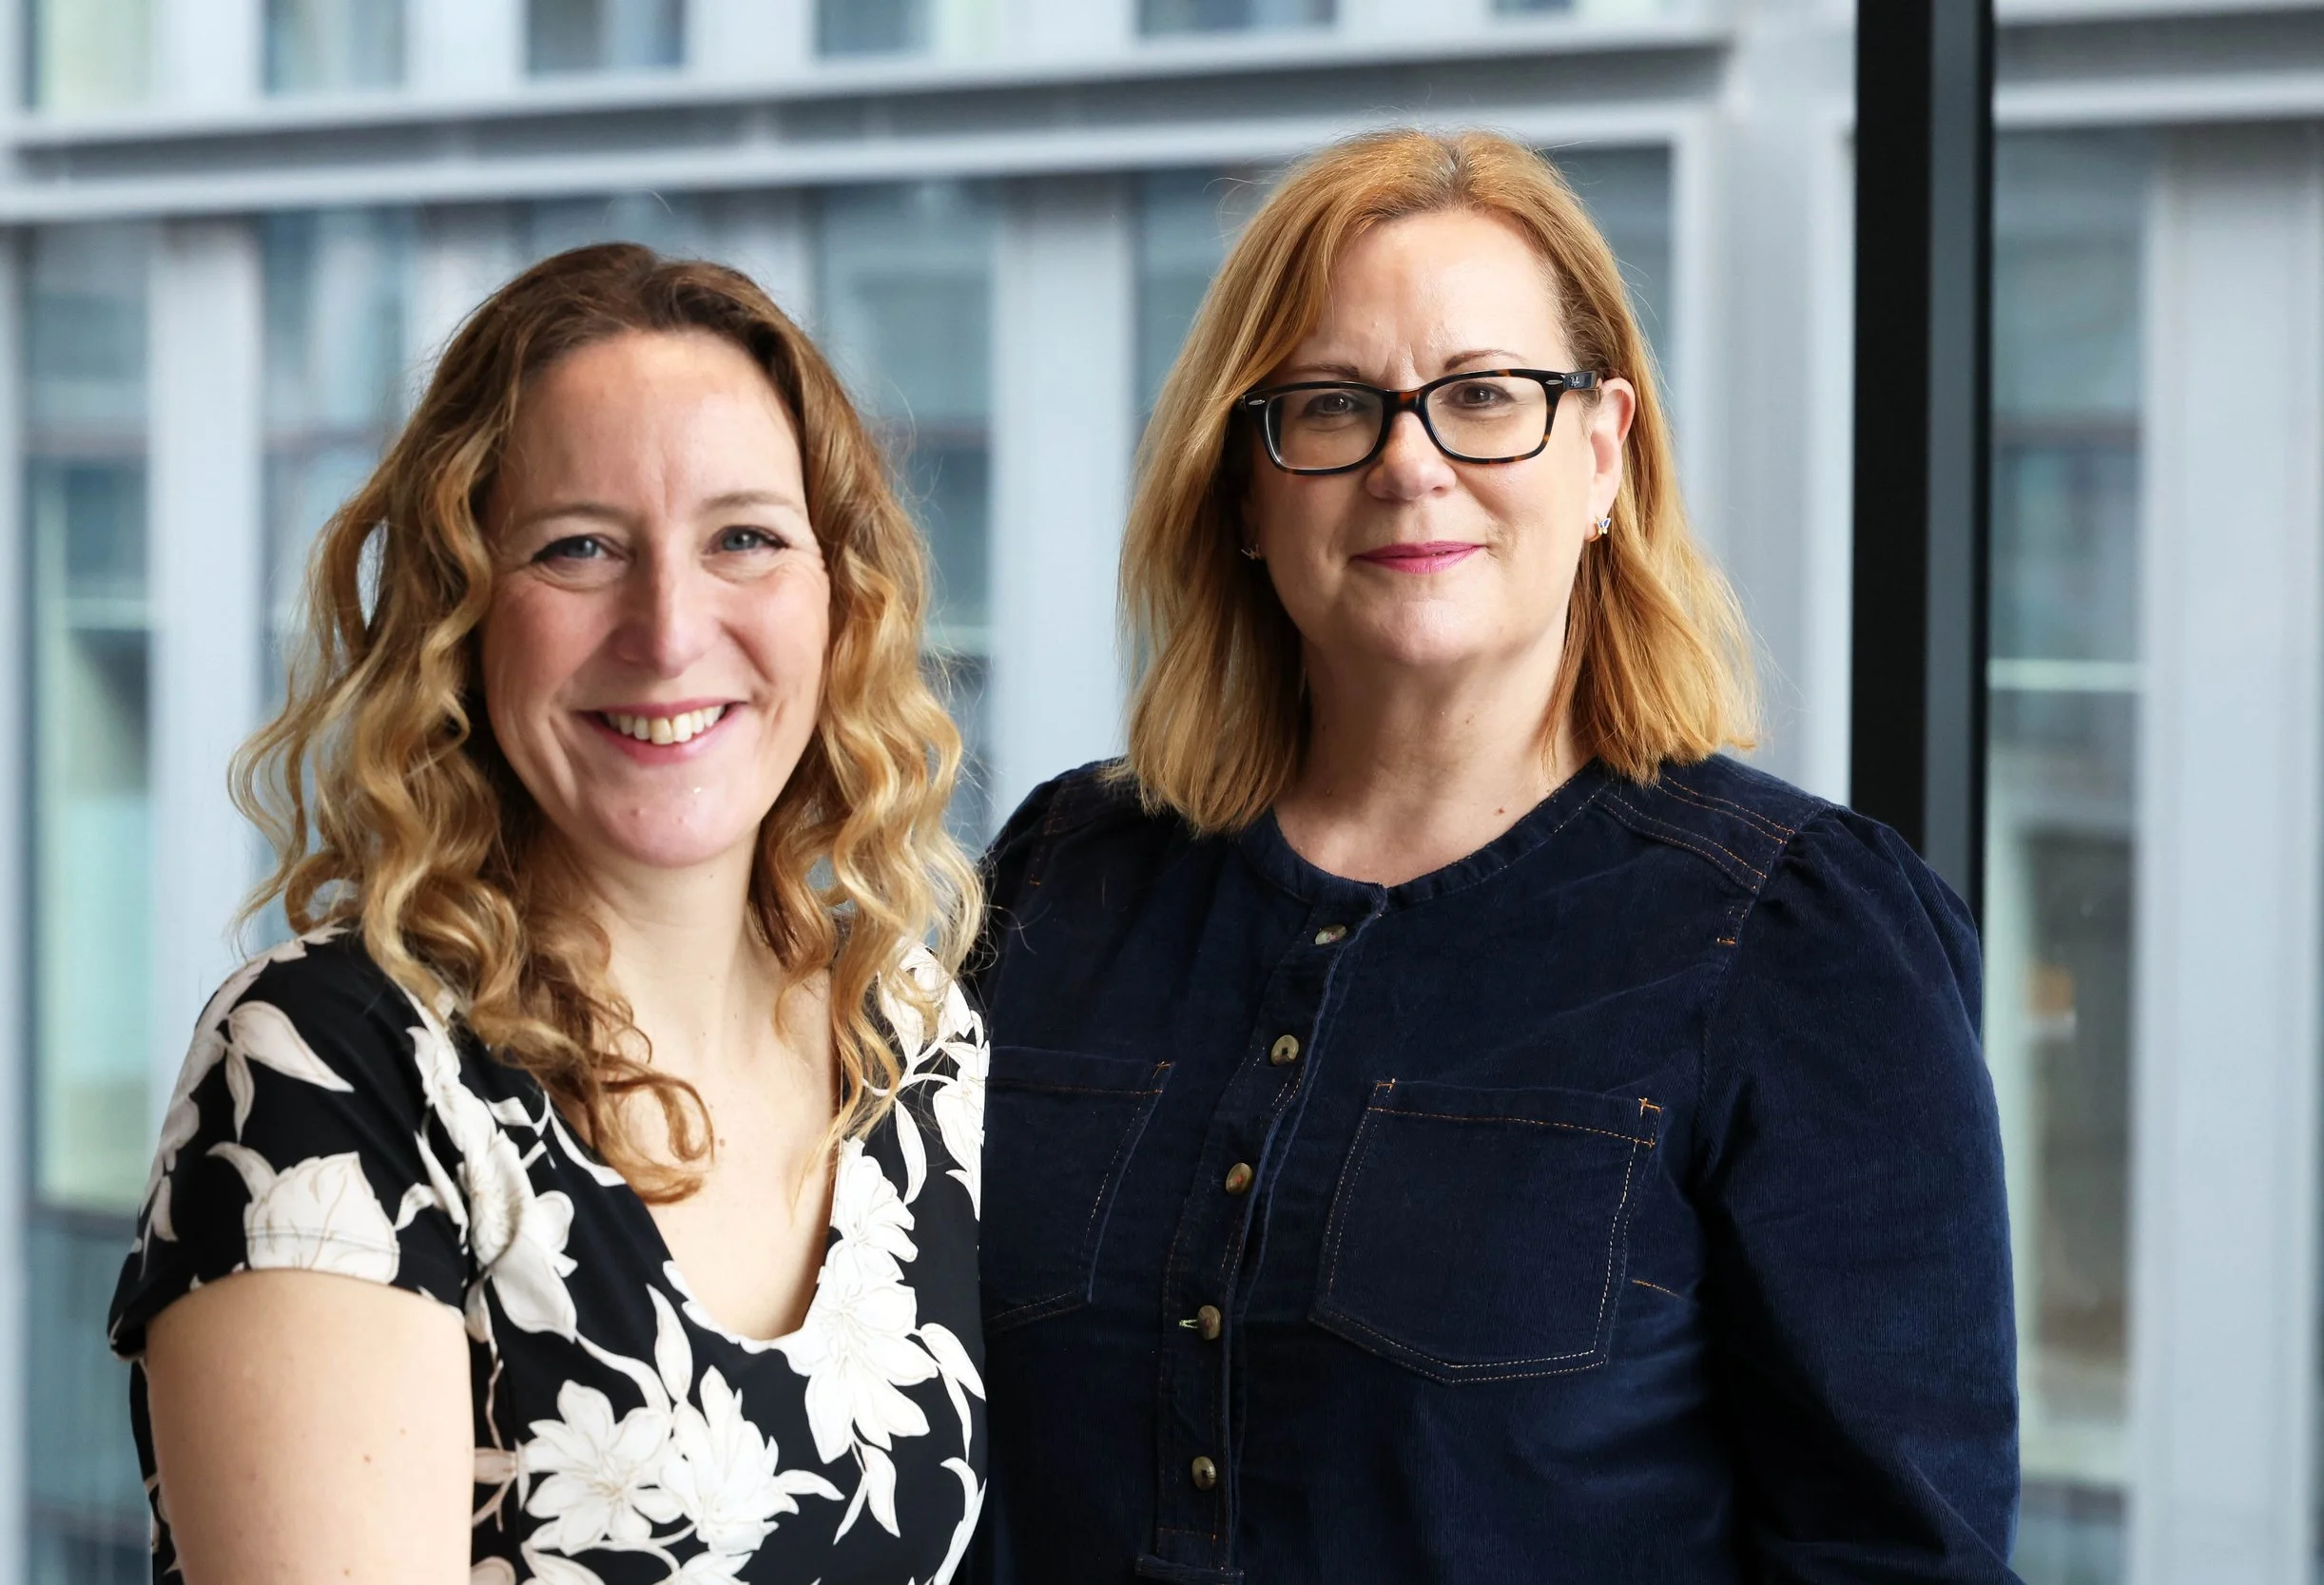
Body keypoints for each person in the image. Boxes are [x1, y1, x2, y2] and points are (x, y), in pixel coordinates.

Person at [972, 129, 2019, 1582]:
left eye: (1482, 396)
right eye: (1332, 405)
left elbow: (1898, 1558)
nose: (1410, 464)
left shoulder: (1799, 937)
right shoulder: (1064, 877)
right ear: (1246, 491)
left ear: (1602, 456)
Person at [107, 244, 990, 1585]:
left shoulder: (911, 1042)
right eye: (579, 548)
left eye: (745, 538)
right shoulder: (326, 1070)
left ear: (841, 595)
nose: (668, 629)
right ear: (461, 613)